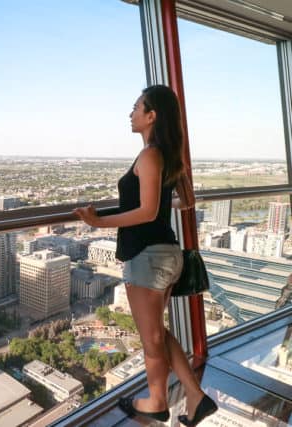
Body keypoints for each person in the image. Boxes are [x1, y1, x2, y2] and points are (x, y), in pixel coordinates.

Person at [74, 85, 217, 426]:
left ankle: (155, 402)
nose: (131, 113)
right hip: (163, 255)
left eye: (136, 107)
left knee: (152, 340)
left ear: (151, 115)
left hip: (148, 257)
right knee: (158, 334)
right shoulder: (165, 155)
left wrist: (98, 221)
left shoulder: (151, 155)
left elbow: (148, 211)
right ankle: (195, 396)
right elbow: (188, 201)